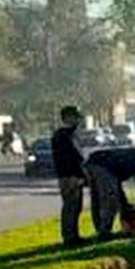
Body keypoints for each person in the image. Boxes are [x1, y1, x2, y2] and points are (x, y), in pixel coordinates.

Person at [86, 146, 135, 238]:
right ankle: (104, 231)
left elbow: (117, 186)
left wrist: (125, 204)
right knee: (110, 201)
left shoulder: (125, 160)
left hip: (91, 164)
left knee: (97, 199)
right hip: (104, 166)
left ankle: (99, 229)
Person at [52, 106, 87, 247]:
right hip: (69, 176)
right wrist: (79, 174)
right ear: (67, 118)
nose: (78, 120)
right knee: (71, 207)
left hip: (71, 175)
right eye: (75, 117)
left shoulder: (68, 135)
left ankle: (74, 235)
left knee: (75, 207)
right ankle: (70, 237)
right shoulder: (64, 136)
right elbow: (73, 157)